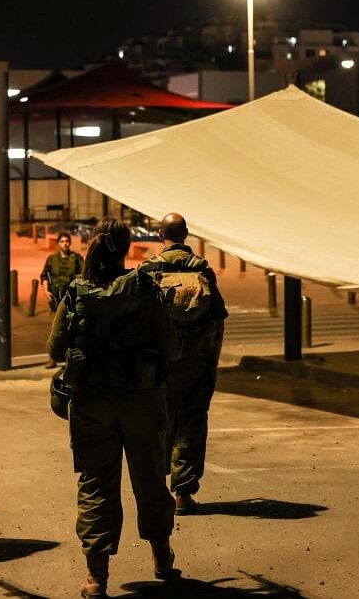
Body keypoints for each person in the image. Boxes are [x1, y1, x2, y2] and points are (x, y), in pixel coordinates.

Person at [47, 218, 180, 598]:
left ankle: (97, 577)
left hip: (92, 402)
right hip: (141, 400)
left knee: (96, 486)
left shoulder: (78, 289)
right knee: (151, 479)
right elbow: (170, 347)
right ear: (125, 250)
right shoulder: (143, 287)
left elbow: (55, 349)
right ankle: (162, 558)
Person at [137, 213, 228, 515]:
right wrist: (210, 359)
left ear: (160, 234)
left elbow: (138, 320)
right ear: (186, 234)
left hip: (159, 364)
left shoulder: (147, 270)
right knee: (191, 422)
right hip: (195, 362)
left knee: (159, 423)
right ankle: (183, 494)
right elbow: (217, 317)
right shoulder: (201, 268)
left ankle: (157, 488)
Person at [41, 232, 85, 313]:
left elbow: (84, 276)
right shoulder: (52, 258)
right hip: (55, 298)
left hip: (72, 298)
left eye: (67, 241)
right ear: (58, 243)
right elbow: (44, 276)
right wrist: (46, 291)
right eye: (62, 241)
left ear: (70, 243)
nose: (65, 244)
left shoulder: (77, 258)